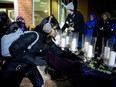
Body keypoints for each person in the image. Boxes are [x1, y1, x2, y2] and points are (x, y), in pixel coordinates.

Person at [0, 15, 78, 87]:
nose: (56, 31)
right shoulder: (33, 36)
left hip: (29, 67)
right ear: (47, 28)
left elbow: (59, 52)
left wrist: (75, 57)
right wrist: (34, 60)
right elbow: (13, 49)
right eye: (54, 29)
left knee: (40, 84)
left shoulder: (48, 40)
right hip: (15, 68)